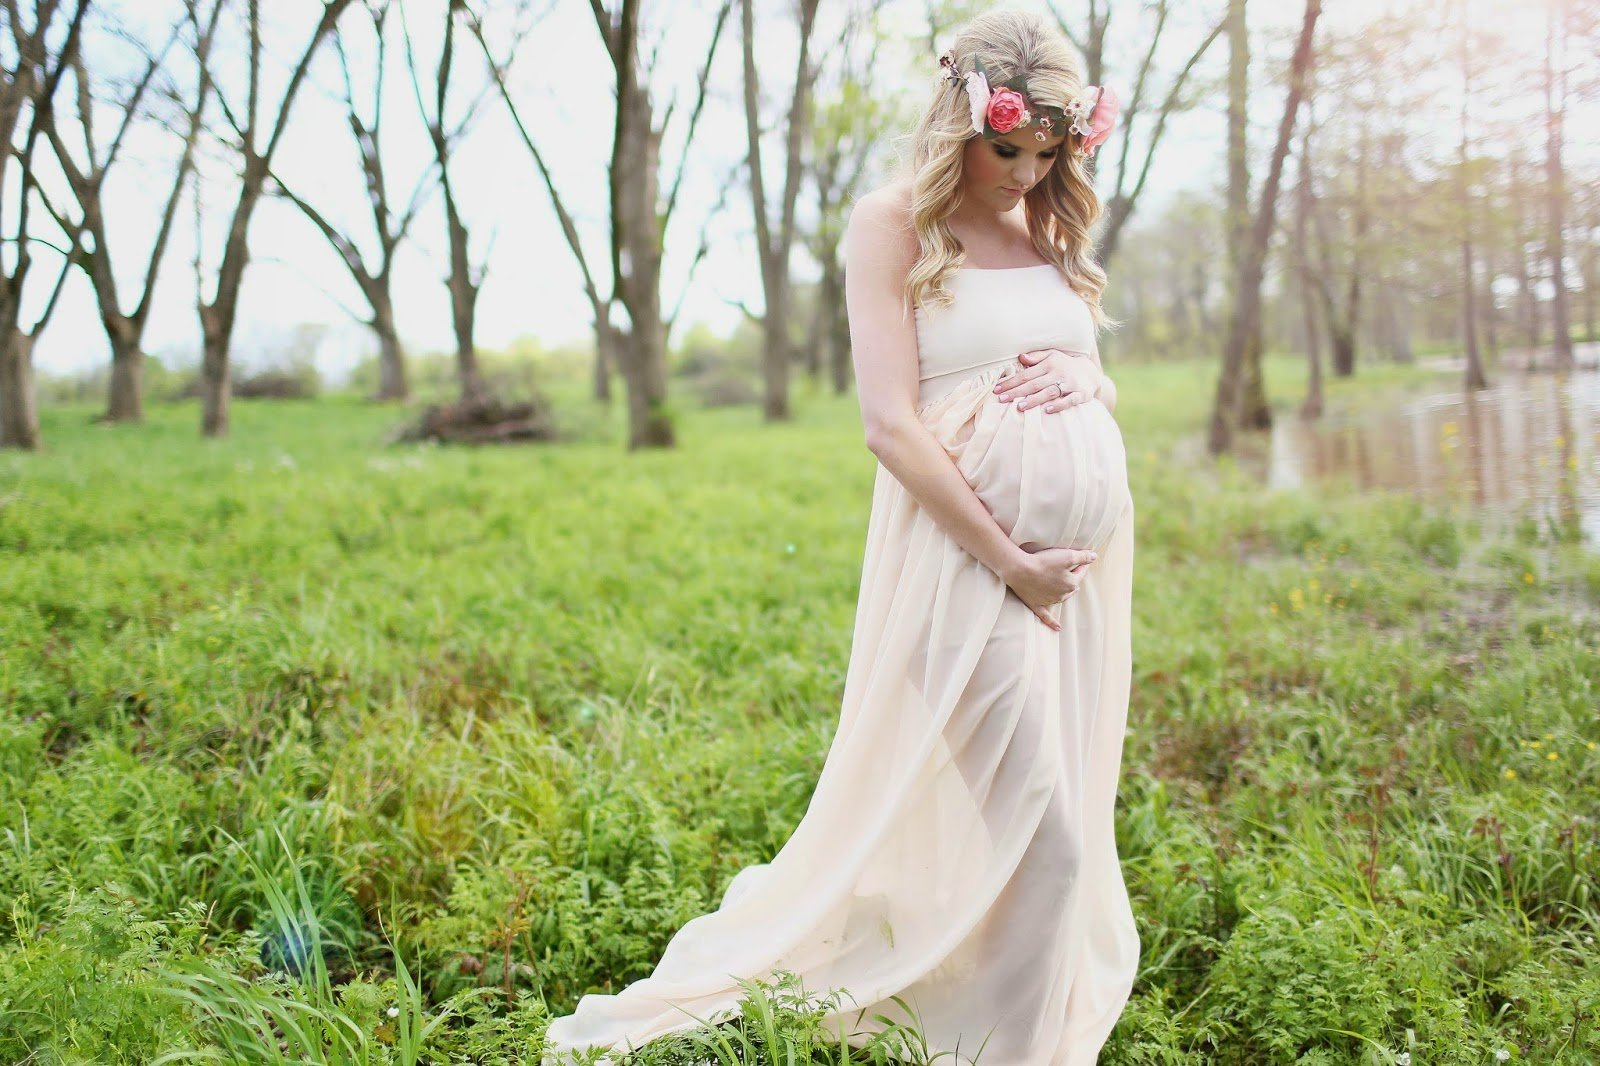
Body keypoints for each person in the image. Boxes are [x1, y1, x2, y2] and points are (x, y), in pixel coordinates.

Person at [542, 9, 1138, 1065]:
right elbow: (889, 425)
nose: (1025, 171)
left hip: (1071, 579)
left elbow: (1070, 357)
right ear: (957, 120)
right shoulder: (892, 223)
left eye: (1050, 152)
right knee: (1041, 835)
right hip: (968, 570)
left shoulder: (1045, 225)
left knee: (1064, 837)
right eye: (1008, 146)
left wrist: (1089, 376)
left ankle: (1021, 1031)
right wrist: (1011, 564)